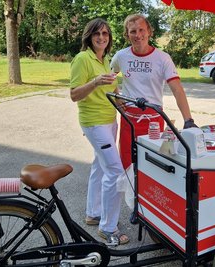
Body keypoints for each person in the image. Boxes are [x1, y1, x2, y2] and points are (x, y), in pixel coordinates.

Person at [70, 18, 129, 245]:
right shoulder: (83, 59)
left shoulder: (106, 61)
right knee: (115, 171)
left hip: (109, 120)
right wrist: (94, 82)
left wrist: (126, 107)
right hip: (94, 123)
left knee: (99, 166)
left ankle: (93, 213)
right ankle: (107, 228)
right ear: (89, 36)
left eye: (105, 33)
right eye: (97, 33)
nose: (102, 37)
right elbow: (74, 94)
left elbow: (113, 89)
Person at [111, 14, 197, 169]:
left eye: (141, 30)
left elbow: (177, 89)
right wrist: (117, 96)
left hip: (153, 120)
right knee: (127, 164)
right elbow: (109, 77)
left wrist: (188, 120)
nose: (138, 35)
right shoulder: (121, 56)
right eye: (133, 31)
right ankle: (130, 193)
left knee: (153, 165)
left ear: (149, 31)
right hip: (129, 120)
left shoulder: (162, 58)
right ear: (127, 34)